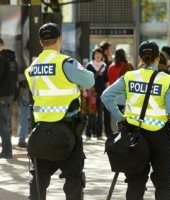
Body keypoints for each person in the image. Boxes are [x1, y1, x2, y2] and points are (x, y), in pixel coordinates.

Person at [101, 41, 170, 200]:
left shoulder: (129, 76)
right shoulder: (165, 80)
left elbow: (106, 96)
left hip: (133, 136)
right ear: (158, 57)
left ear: (141, 58)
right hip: (159, 137)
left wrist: (120, 117)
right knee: (163, 182)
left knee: (135, 182)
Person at [25, 23, 94, 200]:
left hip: (40, 132)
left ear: (41, 42)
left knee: (39, 181)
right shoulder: (65, 62)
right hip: (68, 132)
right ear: (60, 40)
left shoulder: (31, 68)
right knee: (74, 178)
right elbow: (89, 81)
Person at [84, 47, 107, 140]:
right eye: (96, 54)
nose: (98, 55)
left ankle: (99, 135)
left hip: (101, 92)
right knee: (90, 113)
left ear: (102, 55)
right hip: (91, 92)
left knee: (100, 114)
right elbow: (86, 78)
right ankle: (88, 134)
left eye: (100, 54)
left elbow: (107, 80)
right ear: (93, 55)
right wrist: (85, 90)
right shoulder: (89, 66)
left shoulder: (105, 66)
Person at [0, 37, 17, 159]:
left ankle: (7, 151)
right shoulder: (11, 59)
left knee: (3, 123)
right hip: (10, 94)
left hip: (2, 94)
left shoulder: (1, 58)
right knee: (5, 122)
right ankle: (7, 148)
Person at [17, 74, 30, 148]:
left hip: (24, 98)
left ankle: (22, 139)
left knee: (23, 120)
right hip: (25, 98)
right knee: (24, 120)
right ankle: (22, 140)